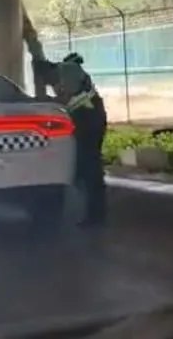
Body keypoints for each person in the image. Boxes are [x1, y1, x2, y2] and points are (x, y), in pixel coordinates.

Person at [55, 60, 108, 228]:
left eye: (63, 81)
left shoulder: (85, 101)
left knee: (89, 177)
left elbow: (89, 125)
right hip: (88, 139)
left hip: (87, 140)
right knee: (88, 178)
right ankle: (95, 214)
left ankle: (94, 215)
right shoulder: (87, 94)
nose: (61, 84)